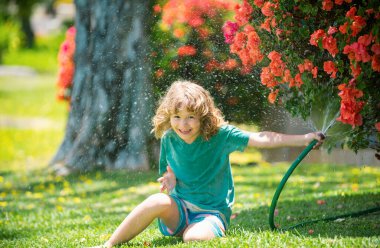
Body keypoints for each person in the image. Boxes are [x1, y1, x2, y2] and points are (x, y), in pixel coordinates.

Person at [98, 80, 324, 247]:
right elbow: (170, 170)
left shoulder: (221, 135)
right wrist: (170, 179)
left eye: (190, 117)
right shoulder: (169, 138)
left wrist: (304, 138)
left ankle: (200, 230)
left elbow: (262, 138)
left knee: (193, 238)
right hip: (180, 209)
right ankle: (109, 245)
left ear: (203, 116)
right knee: (155, 200)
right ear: (169, 116)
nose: (183, 124)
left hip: (210, 212)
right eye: (177, 117)